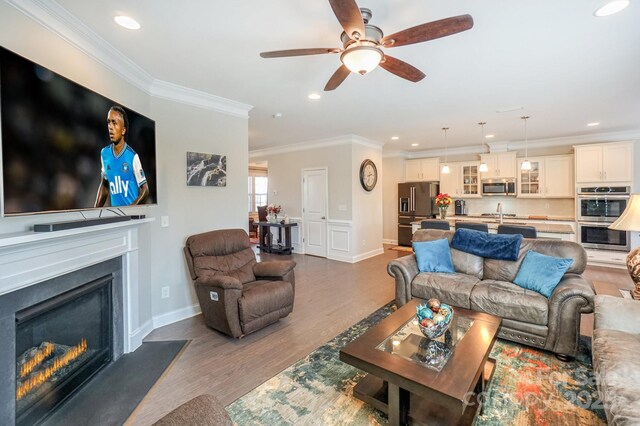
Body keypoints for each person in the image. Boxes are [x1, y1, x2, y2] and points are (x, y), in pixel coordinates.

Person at [95, 106, 149, 207]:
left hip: (132, 218)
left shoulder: (132, 156)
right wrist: (93, 213)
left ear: (123, 130)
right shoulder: (104, 153)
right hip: (116, 217)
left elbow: (145, 190)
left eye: (114, 123)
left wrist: (130, 210)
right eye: (108, 122)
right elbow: (104, 185)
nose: (110, 127)